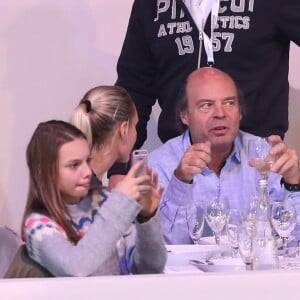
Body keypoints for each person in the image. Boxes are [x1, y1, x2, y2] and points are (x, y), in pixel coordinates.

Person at [109, 0, 300, 182]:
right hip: (180, 165)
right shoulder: (149, 5)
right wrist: (119, 166)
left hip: (257, 166)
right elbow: (134, 88)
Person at [148, 67, 300, 244]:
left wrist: (293, 182)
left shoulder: (265, 154)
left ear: (240, 112)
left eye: (229, 103)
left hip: (252, 270)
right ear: (185, 116)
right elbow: (165, 248)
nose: (220, 114)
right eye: (206, 105)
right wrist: (181, 181)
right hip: (189, 272)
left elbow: (292, 240)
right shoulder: (158, 165)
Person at [22, 117, 166, 277]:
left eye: (87, 161)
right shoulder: (37, 226)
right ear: (46, 171)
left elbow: (150, 268)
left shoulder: (104, 200)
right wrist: (119, 203)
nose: (87, 172)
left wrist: (146, 219)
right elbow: (76, 269)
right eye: (74, 165)